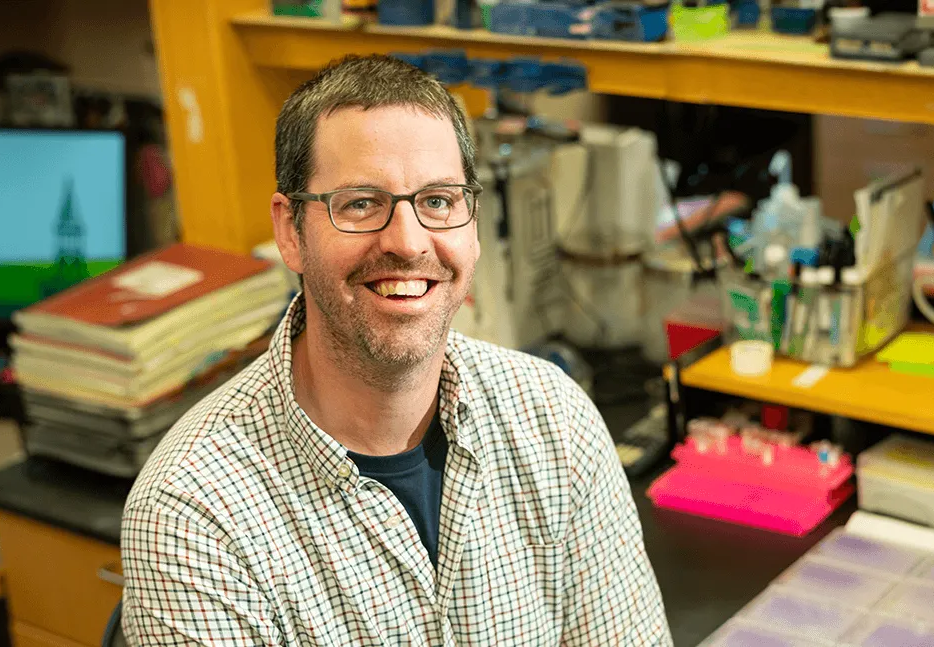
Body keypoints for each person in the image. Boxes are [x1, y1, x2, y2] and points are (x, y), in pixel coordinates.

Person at [121, 54, 670, 646]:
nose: (408, 243)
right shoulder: (192, 512)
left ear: (473, 223)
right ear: (290, 230)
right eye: (360, 203)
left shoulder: (553, 421)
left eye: (437, 201)